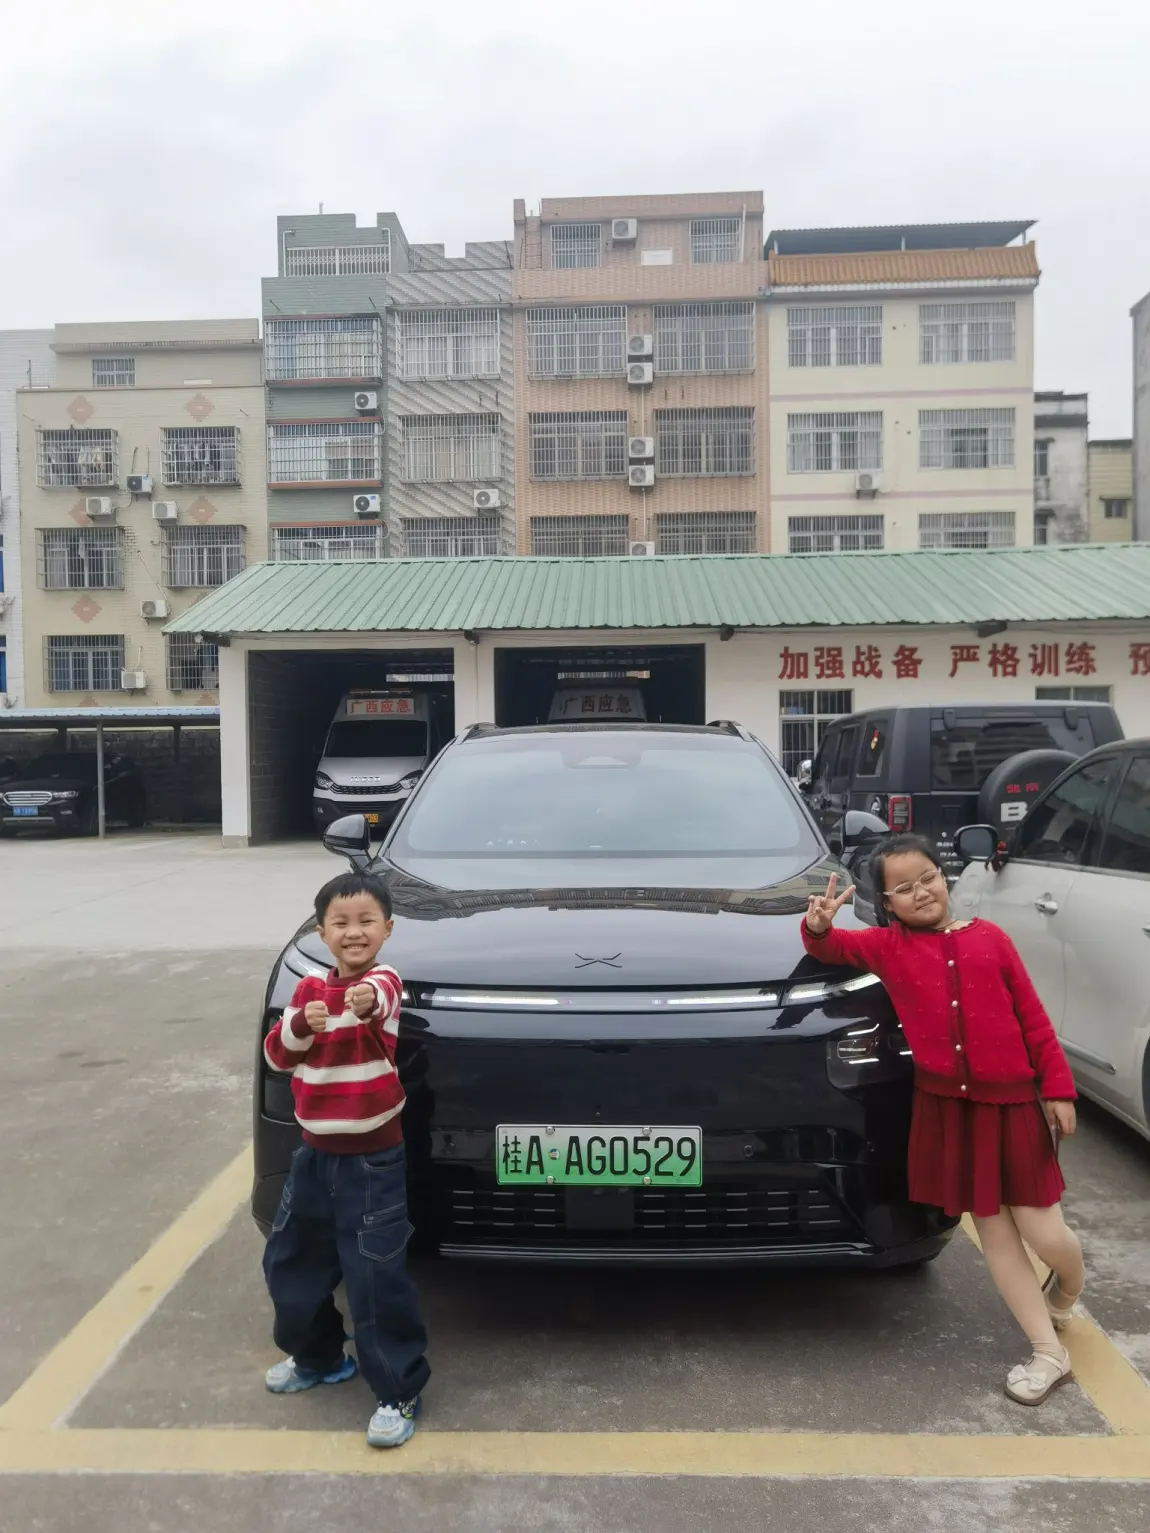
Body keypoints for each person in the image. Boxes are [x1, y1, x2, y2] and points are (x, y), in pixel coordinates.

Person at [803, 833, 1084, 1407]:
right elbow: (831, 949)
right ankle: (1047, 1351)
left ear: (943, 875)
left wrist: (1058, 1088)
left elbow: (1032, 1018)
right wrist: (817, 925)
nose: (921, 892)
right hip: (950, 1111)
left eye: (927, 877)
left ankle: (1067, 1288)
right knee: (995, 1232)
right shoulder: (887, 947)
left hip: (1013, 1107)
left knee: (1046, 1234)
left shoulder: (992, 939)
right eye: (903, 888)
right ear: (887, 903)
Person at [261, 871, 429, 1448]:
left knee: (375, 1279)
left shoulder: (384, 983)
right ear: (321, 932)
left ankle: (398, 1390)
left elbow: (381, 1000)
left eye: (366, 922)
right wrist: (297, 1026)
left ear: (387, 928)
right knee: (290, 1263)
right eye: (340, 922)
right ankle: (318, 1358)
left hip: (372, 1163)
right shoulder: (307, 992)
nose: (354, 932)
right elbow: (278, 1057)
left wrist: (364, 1001)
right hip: (313, 1158)